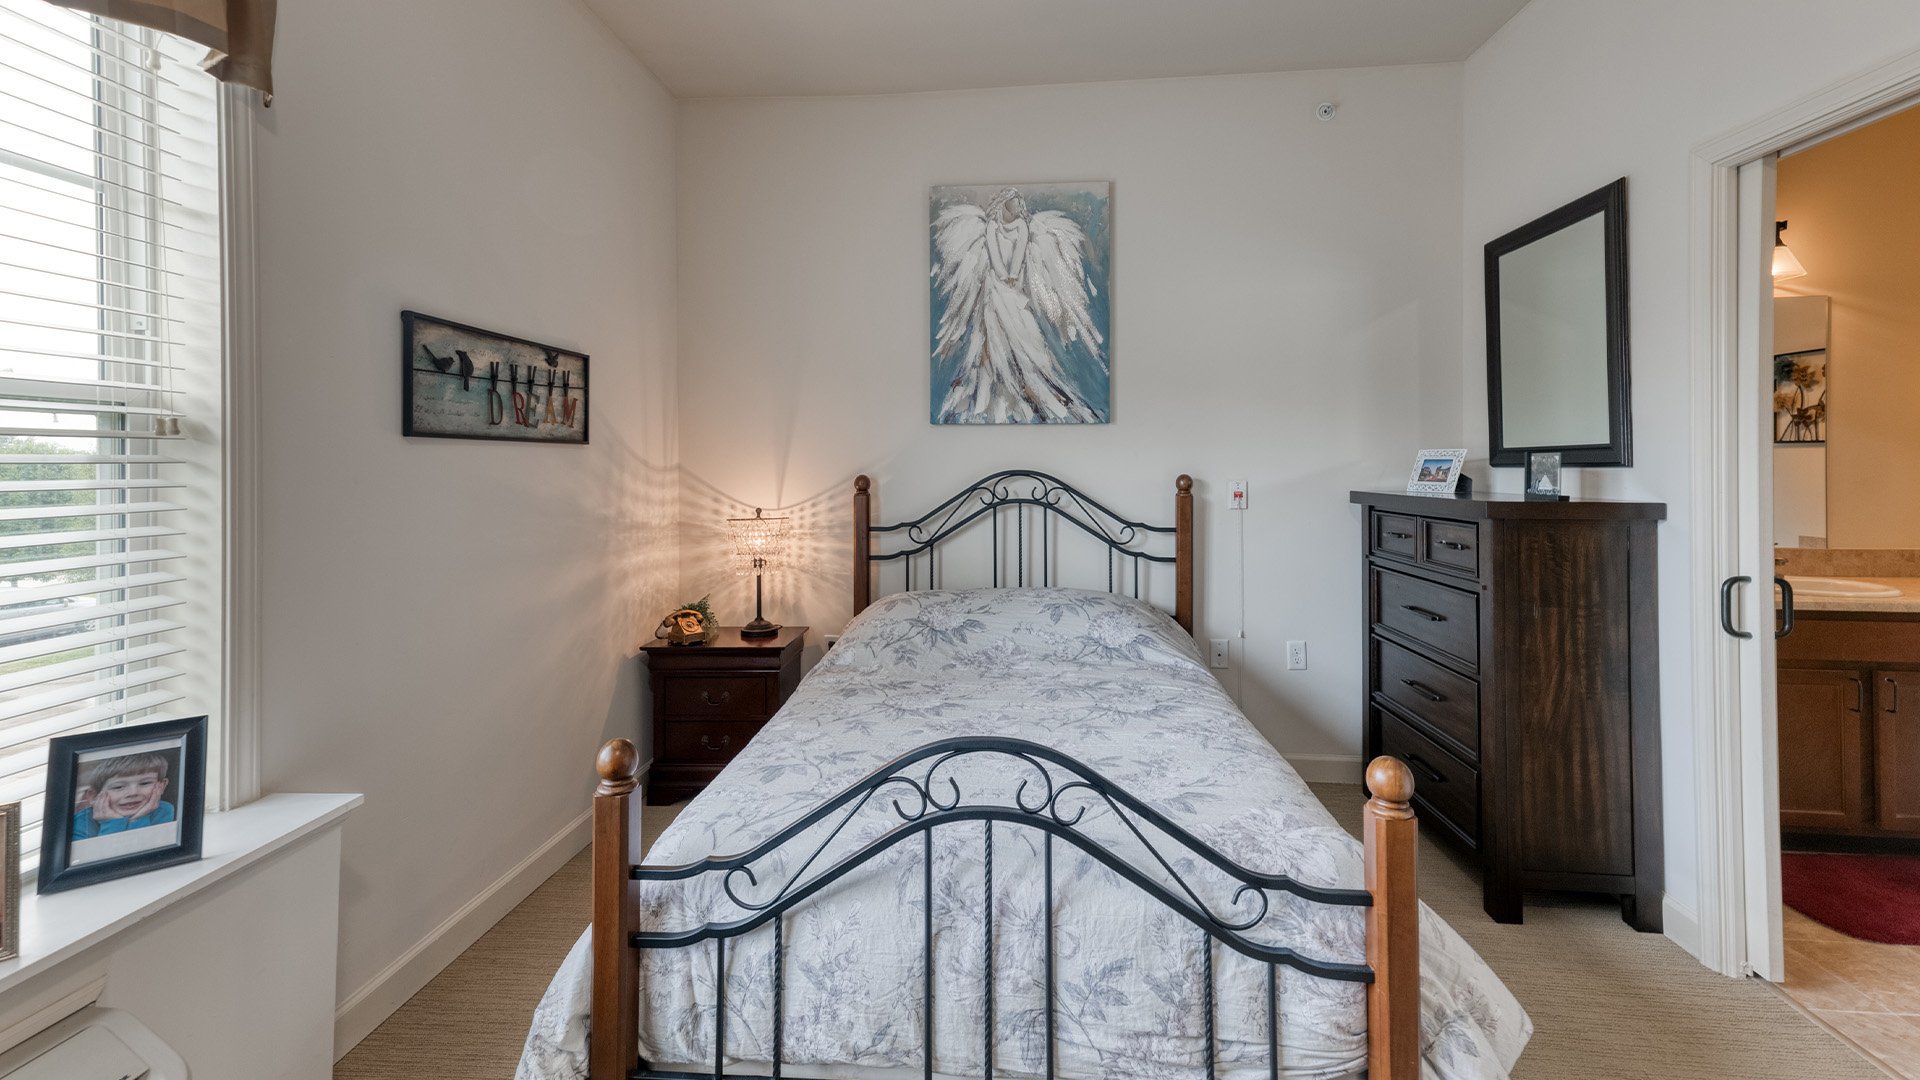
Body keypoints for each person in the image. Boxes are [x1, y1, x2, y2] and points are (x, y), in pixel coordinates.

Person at [72, 752, 175, 840]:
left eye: (144, 783)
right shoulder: (80, 824)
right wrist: (111, 823)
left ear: (162, 786)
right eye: (118, 787)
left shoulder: (164, 810)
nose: (133, 793)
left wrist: (138, 819)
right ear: (94, 796)